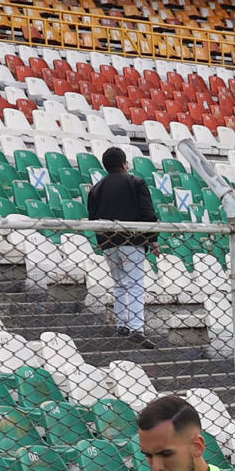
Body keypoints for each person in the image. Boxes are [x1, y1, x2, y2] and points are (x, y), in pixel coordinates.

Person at [85, 145, 159, 345]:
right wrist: (153, 238)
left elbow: (93, 219)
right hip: (132, 241)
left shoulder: (96, 189)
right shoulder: (136, 182)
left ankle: (122, 323)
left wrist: (102, 242)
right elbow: (147, 212)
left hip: (109, 243)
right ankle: (136, 327)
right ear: (124, 164)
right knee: (135, 283)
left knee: (119, 283)